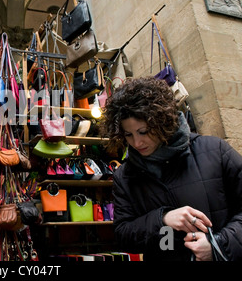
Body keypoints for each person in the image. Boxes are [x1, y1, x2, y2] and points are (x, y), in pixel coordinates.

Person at [101, 77, 242, 261]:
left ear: (161, 121)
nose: (136, 143)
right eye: (128, 135)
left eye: (143, 132)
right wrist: (163, 220)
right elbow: (124, 235)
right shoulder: (124, 176)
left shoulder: (215, 150)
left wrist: (218, 245)